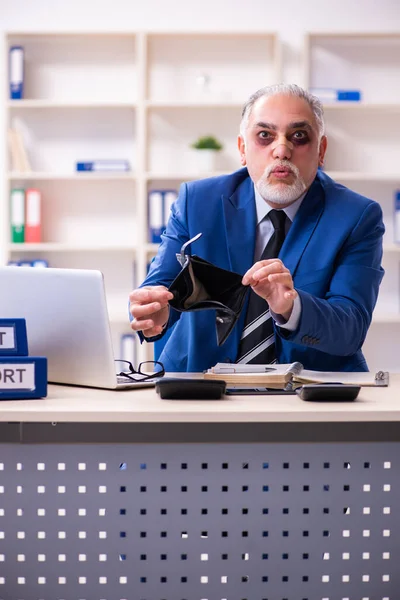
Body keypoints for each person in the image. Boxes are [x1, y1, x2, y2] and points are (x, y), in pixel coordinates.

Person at [129, 83, 384, 372]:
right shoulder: (197, 201)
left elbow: (350, 328)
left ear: (321, 150)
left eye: (299, 136)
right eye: (265, 135)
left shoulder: (357, 216)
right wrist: (153, 312)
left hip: (308, 396)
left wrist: (292, 308)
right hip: (202, 386)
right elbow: (158, 287)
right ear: (242, 149)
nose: (282, 150)